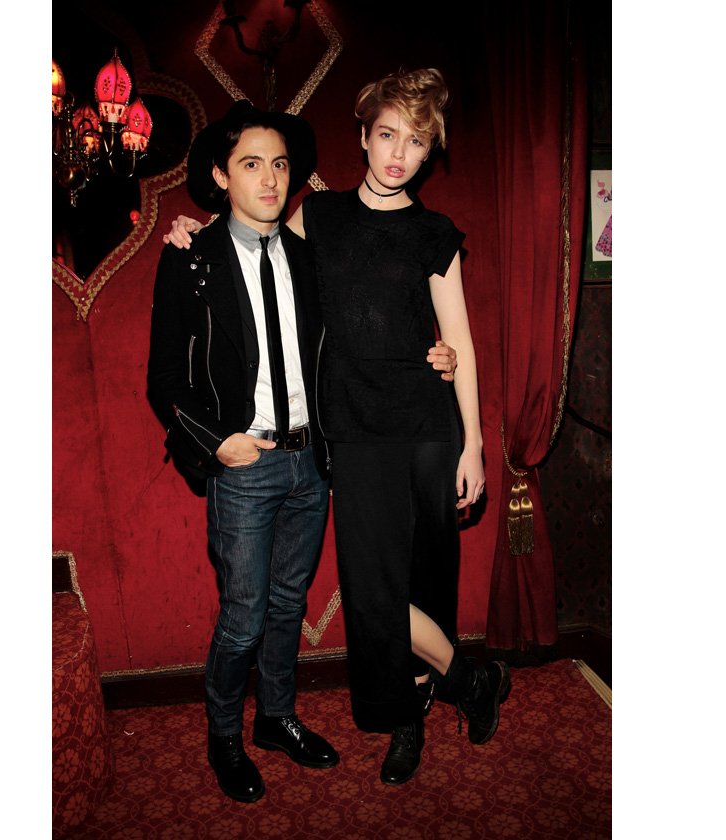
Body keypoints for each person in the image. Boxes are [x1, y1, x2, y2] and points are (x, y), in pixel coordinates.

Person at [165, 69, 509, 787]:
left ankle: (411, 717)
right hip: (349, 435)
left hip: (426, 429)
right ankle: (472, 681)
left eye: (417, 142)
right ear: (363, 137)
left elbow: (462, 343)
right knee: (371, 593)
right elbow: (247, 244)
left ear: (430, 152)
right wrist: (196, 233)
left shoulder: (435, 234)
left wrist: (474, 444)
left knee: (421, 579)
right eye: (387, 135)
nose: (398, 154)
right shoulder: (316, 217)